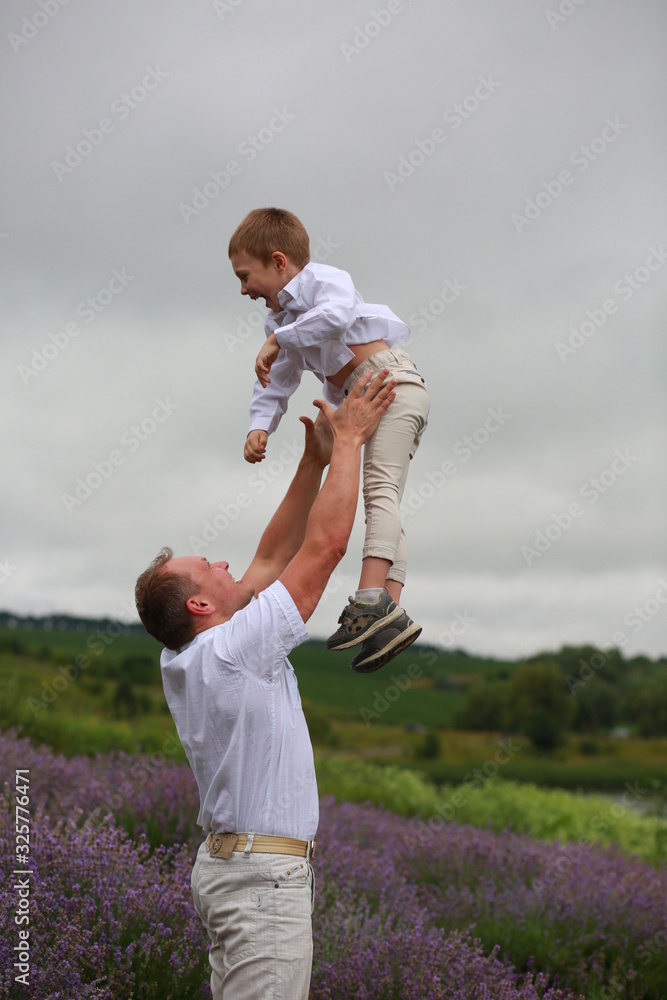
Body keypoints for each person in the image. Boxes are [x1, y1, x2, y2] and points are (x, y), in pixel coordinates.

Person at [135, 370, 396, 1000]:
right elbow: (325, 547)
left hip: (235, 871)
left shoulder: (195, 655)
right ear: (200, 604)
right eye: (210, 567)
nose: (226, 564)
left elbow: (273, 557)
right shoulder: (232, 651)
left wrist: (312, 464)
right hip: (261, 879)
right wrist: (353, 439)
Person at [228, 207, 430, 672]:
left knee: (379, 494)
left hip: (388, 383)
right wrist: (260, 426)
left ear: (279, 262)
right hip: (364, 394)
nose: (243, 290)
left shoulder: (323, 281)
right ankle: (389, 614)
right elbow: (276, 383)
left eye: (245, 276)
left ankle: (370, 600)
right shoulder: (279, 326)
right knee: (384, 496)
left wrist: (282, 338)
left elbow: (336, 318)